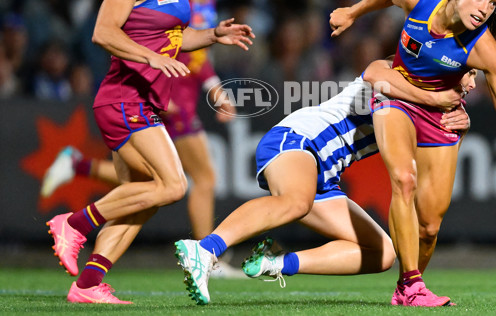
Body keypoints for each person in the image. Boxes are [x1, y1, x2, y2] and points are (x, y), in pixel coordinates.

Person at [45, 0, 254, 304]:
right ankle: (75, 224)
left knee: (141, 199)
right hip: (124, 98)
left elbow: (176, 36)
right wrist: (151, 59)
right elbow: (103, 31)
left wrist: (212, 35)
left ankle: (87, 285)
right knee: (174, 185)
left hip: (143, 101)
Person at [329, 0, 496, 306]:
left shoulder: (487, 52)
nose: (484, 8)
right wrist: (352, 11)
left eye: (493, 3)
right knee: (404, 180)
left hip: (440, 117)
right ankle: (411, 286)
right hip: (398, 97)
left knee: (430, 227)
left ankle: (406, 288)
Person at [173, 58, 473, 306]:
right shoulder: (398, 71)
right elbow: (372, 72)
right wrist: (434, 99)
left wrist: (457, 130)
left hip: (327, 174)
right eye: (470, 73)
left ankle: (275, 263)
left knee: (383, 253)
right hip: (299, 140)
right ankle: (205, 249)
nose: (472, 84)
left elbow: (429, 169)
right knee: (295, 202)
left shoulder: (435, 112)